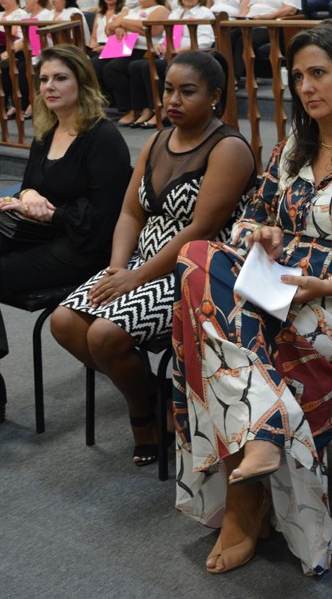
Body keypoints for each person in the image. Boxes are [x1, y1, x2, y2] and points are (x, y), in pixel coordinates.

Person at [171, 21, 332, 575]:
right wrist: (259, 236)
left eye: (320, 73)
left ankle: (247, 506)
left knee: (207, 334)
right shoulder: (294, 147)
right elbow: (249, 219)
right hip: (280, 289)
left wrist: (330, 283)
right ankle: (264, 430)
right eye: (298, 77)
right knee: (195, 260)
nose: (307, 87)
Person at [51, 51, 255, 465]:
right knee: (64, 323)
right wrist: (118, 267)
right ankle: (159, 398)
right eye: (167, 90)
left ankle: (141, 413)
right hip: (140, 265)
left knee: (104, 336)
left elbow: (200, 228)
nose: (172, 100)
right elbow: (130, 212)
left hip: (193, 271)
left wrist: (135, 278)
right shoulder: (157, 140)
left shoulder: (229, 147)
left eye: (187, 92)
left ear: (215, 96)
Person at [0, 45, 132, 440]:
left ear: (82, 83)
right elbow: (30, 189)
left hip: (82, 251)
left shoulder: (102, 137)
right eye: (43, 80)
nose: (49, 87)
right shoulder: (47, 132)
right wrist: (24, 198)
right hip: (38, 238)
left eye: (60, 78)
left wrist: (51, 212)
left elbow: (106, 220)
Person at [104, 0, 170, 128]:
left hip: (146, 50)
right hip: (125, 48)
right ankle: (131, 109)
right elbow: (109, 28)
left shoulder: (160, 10)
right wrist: (120, 27)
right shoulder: (131, 10)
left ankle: (139, 109)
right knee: (102, 67)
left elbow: (150, 29)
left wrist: (123, 23)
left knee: (115, 67)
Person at [88, 0, 125, 98]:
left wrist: (105, 48)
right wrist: (93, 45)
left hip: (114, 49)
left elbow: (123, 38)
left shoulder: (124, 11)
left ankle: (104, 100)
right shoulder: (100, 14)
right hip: (97, 48)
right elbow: (93, 37)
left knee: (94, 66)